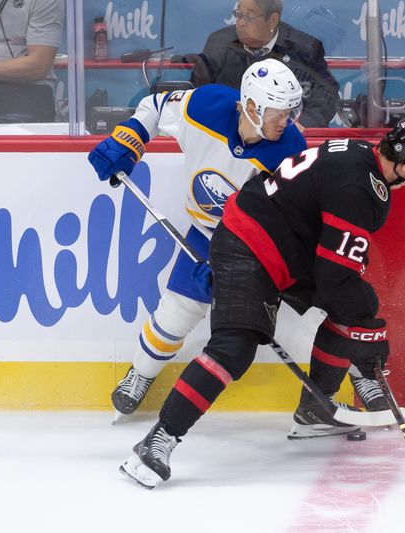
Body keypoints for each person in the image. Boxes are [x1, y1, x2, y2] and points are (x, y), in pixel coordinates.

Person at [119, 116, 405, 488]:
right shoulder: (364, 190)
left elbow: (335, 268)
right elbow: (333, 277)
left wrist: (362, 329)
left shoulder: (358, 152)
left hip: (280, 245)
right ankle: (158, 440)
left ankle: (315, 410)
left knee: (357, 304)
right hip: (250, 245)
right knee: (235, 345)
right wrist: (369, 341)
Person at [88, 58, 312, 416]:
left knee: (276, 324)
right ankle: (141, 374)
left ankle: (329, 394)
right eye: (278, 112)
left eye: (290, 111)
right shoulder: (204, 107)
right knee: (178, 311)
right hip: (205, 233)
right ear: (251, 107)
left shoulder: (290, 151)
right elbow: (156, 107)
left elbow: (293, 220)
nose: (287, 121)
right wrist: (130, 138)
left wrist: (238, 269)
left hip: (254, 245)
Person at [189, 0, 339, 129]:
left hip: (283, 137)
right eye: (238, 14)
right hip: (229, 135)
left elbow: (328, 96)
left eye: (249, 16)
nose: (240, 23)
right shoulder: (219, 43)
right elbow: (197, 93)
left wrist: (303, 124)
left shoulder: (304, 49)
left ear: (273, 20)